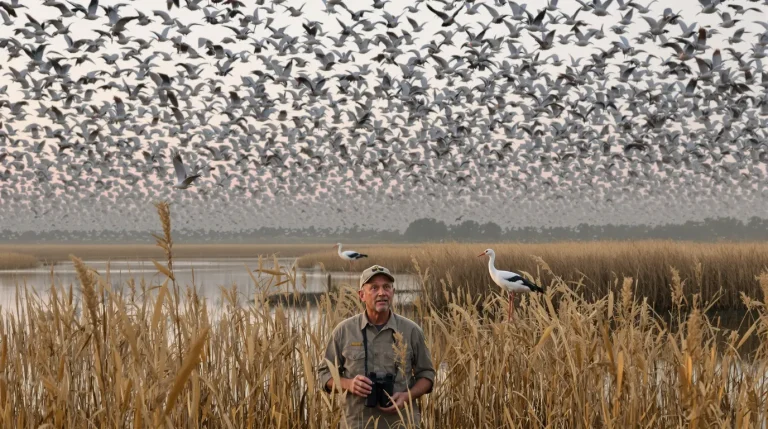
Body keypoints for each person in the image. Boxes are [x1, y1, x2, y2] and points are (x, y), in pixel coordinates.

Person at [318, 265, 435, 429]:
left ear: (393, 292)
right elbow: (324, 375)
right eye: (374, 288)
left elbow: (427, 375)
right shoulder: (344, 331)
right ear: (361, 295)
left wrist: (407, 396)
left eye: (386, 287)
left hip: (401, 423)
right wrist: (349, 384)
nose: (382, 293)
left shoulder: (411, 331)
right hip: (357, 424)